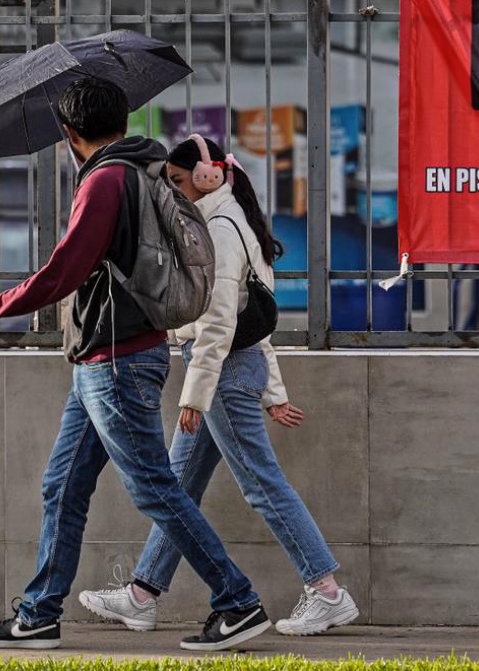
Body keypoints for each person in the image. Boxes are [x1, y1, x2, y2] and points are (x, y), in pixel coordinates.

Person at [0, 79, 270, 652]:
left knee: (154, 487)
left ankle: (238, 602)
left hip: (117, 359)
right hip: (105, 358)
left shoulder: (106, 181)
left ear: (69, 132)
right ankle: (39, 613)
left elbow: (63, 272)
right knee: (63, 483)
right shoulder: (142, 167)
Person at [77, 136, 360, 637]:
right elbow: (258, 322)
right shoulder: (227, 220)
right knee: (178, 484)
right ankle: (143, 595)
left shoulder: (221, 229)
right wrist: (272, 392)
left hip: (220, 375)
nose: (177, 193)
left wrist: (194, 395)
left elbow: (221, 323)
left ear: (208, 176)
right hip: (224, 371)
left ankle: (328, 592)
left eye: (181, 182)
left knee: (261, 484)